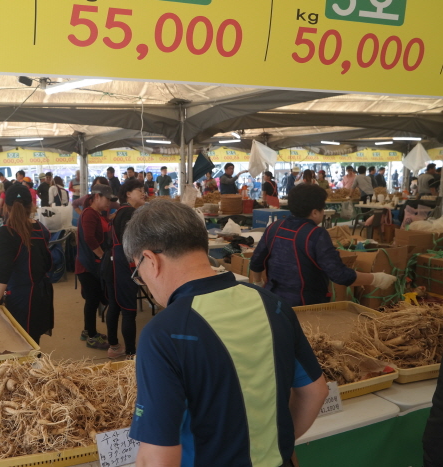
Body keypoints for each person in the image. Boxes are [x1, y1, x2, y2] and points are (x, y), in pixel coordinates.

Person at [123, 199, 328, 467]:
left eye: (139, 272)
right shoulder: (272, 304)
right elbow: (316, 392)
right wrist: (275, 445)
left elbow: (157, 459)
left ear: (150, 260)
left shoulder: (165, 333)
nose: (145, 282)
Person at [250, 184, 397, 308]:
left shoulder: (274, 227)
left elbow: (256, 262)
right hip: (306, 308)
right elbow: (340, 275)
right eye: (322, 208)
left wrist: (258, 282)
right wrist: (376, 278)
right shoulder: (316, 235)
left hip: (273, 302)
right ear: (315, 212)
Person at [0, 184, 53, 344]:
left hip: (20, 298)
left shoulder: (7, 232)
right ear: (31, 205)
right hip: (41, 296)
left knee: (19, 342)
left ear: (5, 206)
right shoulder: (41, 229)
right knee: (33, 340)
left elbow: (4, 269)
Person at [105, 179, 145, 359]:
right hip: (123, 264)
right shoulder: (129, 212)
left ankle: (114, 347)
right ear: (128, 194)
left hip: (113, 262)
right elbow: (130, 244)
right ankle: (131, 353)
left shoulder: (120, 211)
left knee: (114, 305)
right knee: (128, 310)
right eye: (139, 190)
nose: (143, 193)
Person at [76, 184, 116, 350]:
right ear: (97, 197)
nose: (109, 203)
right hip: (87, 266)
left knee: (91, 300)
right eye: (107, 199)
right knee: (92, 300)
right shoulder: (89, 214)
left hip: (89, 264)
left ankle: (88, 331)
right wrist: (102, 256)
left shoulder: (97, 213)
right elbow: (89, 238)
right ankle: (91, 336)